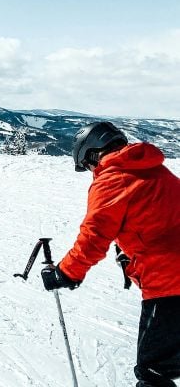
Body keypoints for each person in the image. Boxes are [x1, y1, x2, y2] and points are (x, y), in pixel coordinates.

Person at [41, 121, 180, 387]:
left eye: (88, 165)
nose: (92, 172)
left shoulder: (112, 179)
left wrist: (65, 273)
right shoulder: (155, 170)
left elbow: (94, 236)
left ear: (93, 153)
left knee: (154, 371)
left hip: (170, 284)